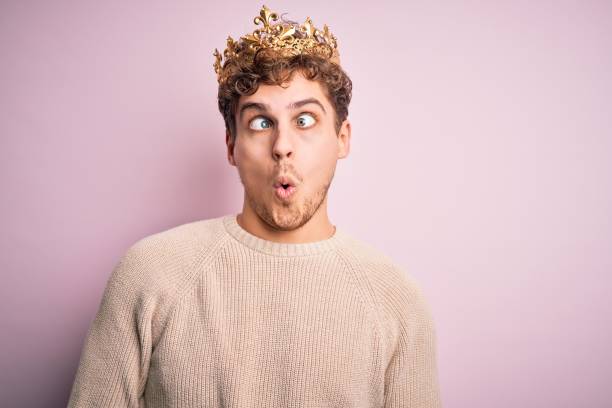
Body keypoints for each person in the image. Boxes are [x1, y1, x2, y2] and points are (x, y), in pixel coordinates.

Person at [67, 5, 442, 407]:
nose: (282, 146)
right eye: (260, 123)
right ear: (231, 146)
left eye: (305, 120)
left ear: (342, 139)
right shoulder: (150, 275)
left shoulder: (396, 301)